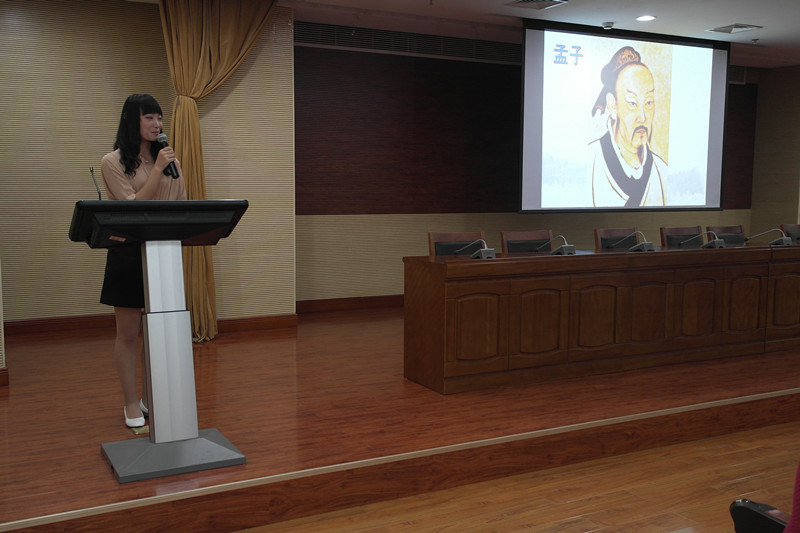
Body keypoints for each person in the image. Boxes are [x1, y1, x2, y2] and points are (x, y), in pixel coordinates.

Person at [100, 94, 186, 428]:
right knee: (128, 334)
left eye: (159, 117)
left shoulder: (168, 159)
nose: (157, 124)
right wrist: (159, 169)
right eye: (149, 117)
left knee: (160, 331)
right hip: (128, 253)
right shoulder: (113, 162)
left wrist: (165, 166)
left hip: (164, 251)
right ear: (130, 121)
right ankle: (130, 402)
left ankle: (153, 397)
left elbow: (181, 204)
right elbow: (133, 206)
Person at [588, 46, 667, 207]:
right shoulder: (591, 160)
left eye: (649, 102)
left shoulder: (661, 170)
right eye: (632, 103)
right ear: (612, 105)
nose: (643, 117)